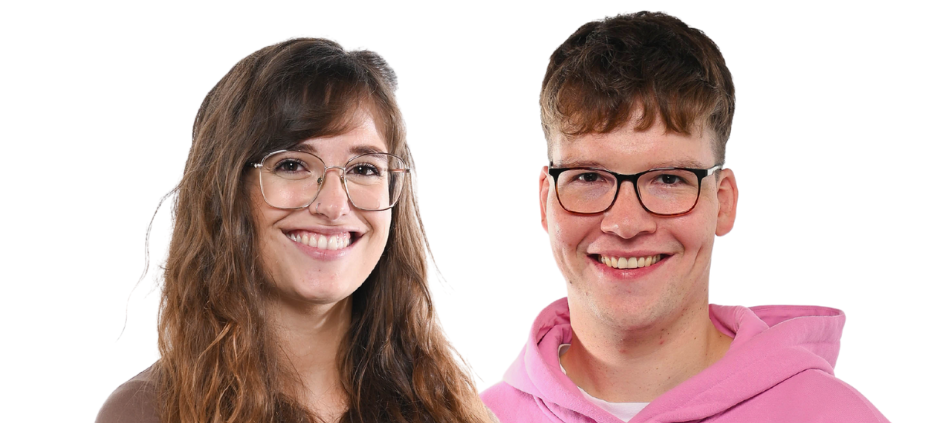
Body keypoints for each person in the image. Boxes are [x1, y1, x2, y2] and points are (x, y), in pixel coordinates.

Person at [480, 10, 889, 423]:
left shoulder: (837, 417)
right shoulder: (472, 417)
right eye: (589, 177)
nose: (625, 223)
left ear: (724, 202)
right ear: (545, 200)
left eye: (668, 179)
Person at [95, 35, 499, 423]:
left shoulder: (452, 408)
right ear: (227, 192)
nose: (333, 205)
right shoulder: (148, 413)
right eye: (292, 165)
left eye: (364, 169)